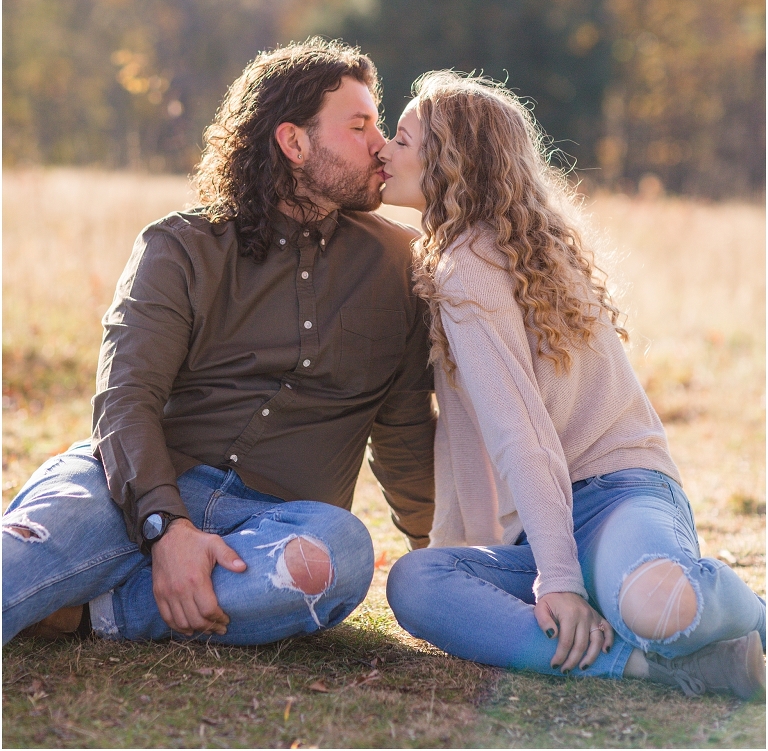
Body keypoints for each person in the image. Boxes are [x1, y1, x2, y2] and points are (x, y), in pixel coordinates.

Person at [3, 39, 435, 647]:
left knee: (339, 553)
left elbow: (405, 430)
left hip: (274, 525)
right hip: (132, 492)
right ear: (294, 143)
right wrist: (166, 526)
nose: (380, 145)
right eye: (359, 126)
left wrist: (440, 556)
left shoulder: (399, 263)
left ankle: (92, 612)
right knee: (26, 553)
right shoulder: (181, 246)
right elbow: (126, 400)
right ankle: (103, 578)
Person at [379, 71, 765, 701]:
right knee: (419, 581)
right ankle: (656, 668)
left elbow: (520, 433)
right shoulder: (497, 247)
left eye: (401, 140)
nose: (383, 150)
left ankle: (751, 623)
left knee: (656, 608)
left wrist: (558, 580)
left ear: (450, 165)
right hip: (538, 534)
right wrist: (537, 566)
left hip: (617, 497)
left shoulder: (469, 264)